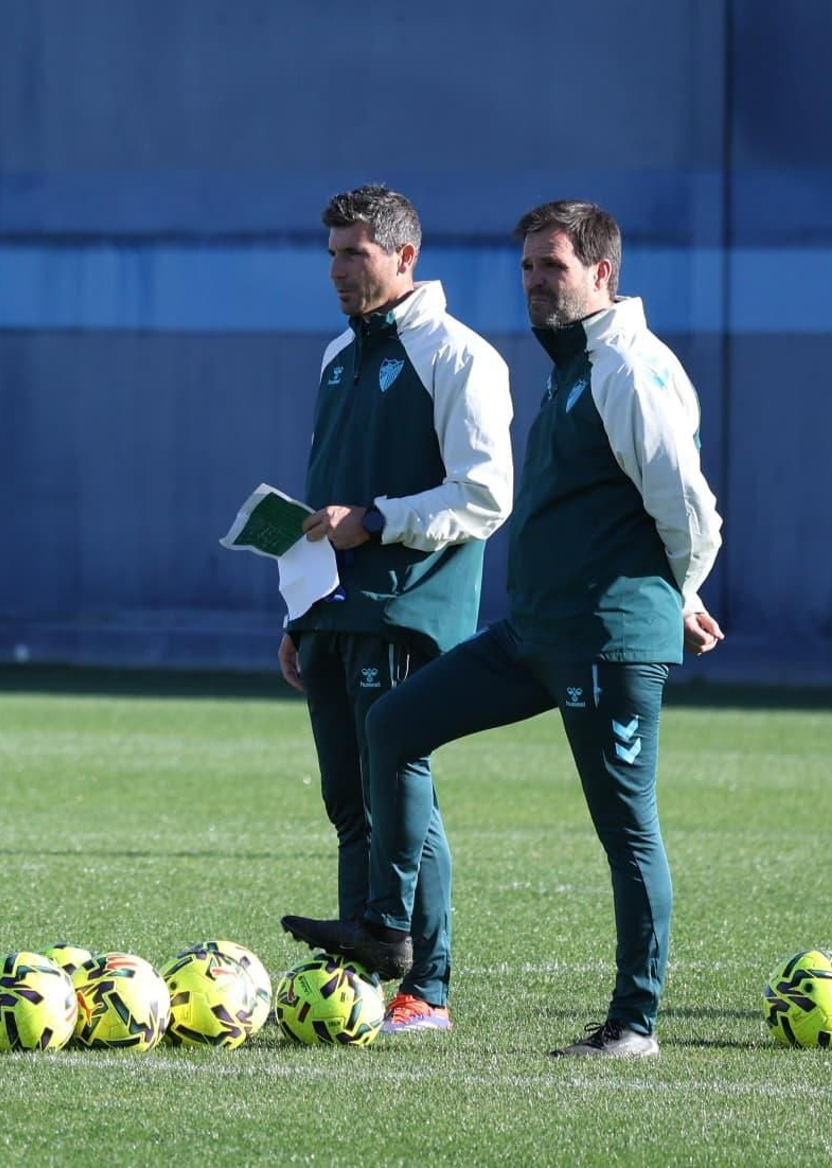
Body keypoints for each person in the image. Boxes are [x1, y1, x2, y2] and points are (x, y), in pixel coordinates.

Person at [283, 200, 724, 1057]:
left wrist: (681, 590)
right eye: (527, 268)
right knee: (395, 725)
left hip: (607, 639)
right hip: (535, 633)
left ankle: (633, 1024)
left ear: (602, 272)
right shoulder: (574, 365)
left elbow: (692, 510)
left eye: (552, 268)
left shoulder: (630, 369)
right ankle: (386, 928)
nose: (534, 284)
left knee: (626, 831)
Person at [276, 185, 513, 1035]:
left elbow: (486, 494)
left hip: (408, 605)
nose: (338, 270)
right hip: (336, 609)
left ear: (404, 256)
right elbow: (320, 508)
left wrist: (377, 520)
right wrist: (301, 613)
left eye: (355, 254)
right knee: (349, 802)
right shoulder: (339, 352)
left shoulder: (459, 356)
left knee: (400, 796)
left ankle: (429, 988)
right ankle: (356, 982)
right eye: (333, 253)